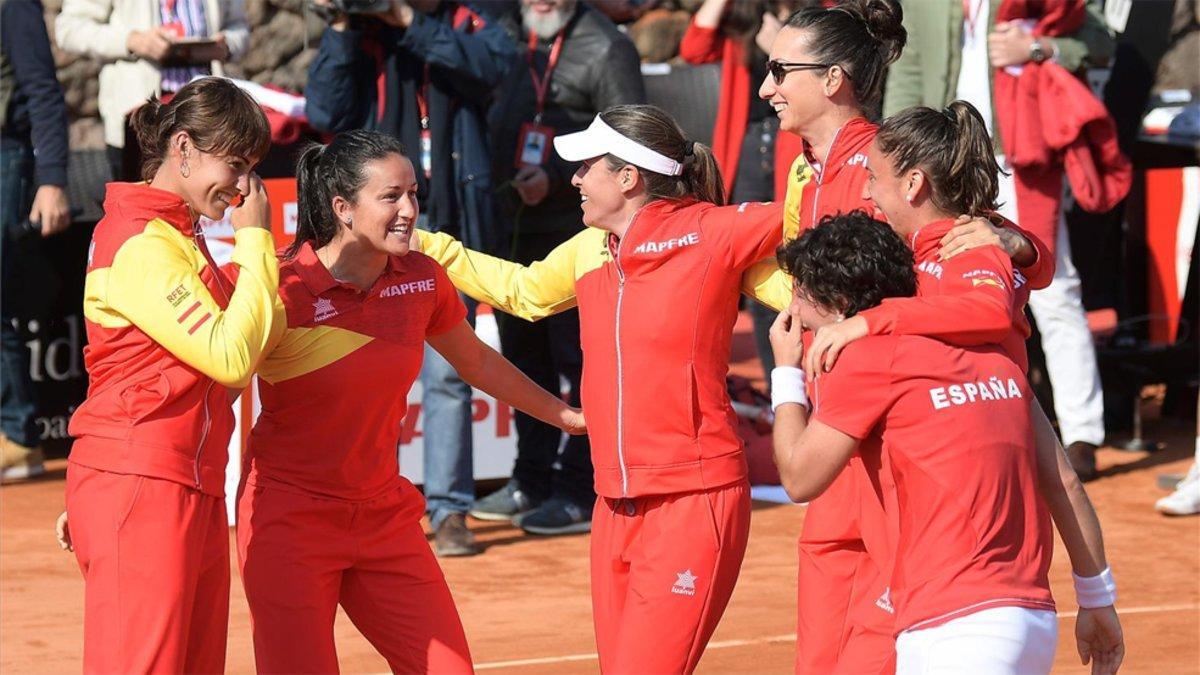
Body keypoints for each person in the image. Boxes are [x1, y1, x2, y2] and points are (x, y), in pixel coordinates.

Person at [413, 104, 787, 672]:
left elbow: (817, 218)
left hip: (694, 496)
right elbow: (525, 291)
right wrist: (427, 247)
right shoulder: (590, 248)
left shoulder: (714, 229)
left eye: (588, 167)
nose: (576, 179)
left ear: (629, 177)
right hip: (612, 501)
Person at [745, 3, 1051, 671]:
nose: (765, 87)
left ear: (831, 80)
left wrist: (1015, 244)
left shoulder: (882, 166)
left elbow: (994, 260)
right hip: (840, 447)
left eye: (778, 71)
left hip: (900, 465)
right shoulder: (813, 170)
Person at [236, 130, 585, 673]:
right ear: (342, 209)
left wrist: (566, 416)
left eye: (414, 195)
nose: (408, 211)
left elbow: (477, 362)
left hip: (384, 519)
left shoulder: (422, 278)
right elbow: (210, 386)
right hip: (290, 520)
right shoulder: (281, 288)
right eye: (391, 197)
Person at [797, 101, 1125, 672]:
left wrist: (869, 321)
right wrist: (1023, 244)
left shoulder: (967, 245)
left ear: (916, 182)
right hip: (917, 481)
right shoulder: (941, 244)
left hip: (952, 506)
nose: (867, 193)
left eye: (874, 177)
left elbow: (988, 309)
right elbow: (1029, 264)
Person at [60, 77, 276, 673]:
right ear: (183, 149)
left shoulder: (178, 237)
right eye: (234, 165)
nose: (240, 187)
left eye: (249, 169)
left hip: (187, 481)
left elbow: (251, 336)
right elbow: (233, 357)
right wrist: (256, 236)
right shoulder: (142, 242)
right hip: (144, 481)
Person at [305, 0, 515, 556]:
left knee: (449, 372)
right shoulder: (363, 33)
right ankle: (365, 502)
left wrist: (407, 21)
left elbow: (495, 69)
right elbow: (325, 108)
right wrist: (345, 26)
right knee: (365, 368)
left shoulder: (466, 20)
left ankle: (449, 511)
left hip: (444, 215)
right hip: (372, 230)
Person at [883, 0, 1118, 481]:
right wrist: (893, 154)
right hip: (941, 164)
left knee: (1052, 289)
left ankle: (1082, 432)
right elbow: (908, 72)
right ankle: (957, 419)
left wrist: (1038, 47)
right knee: (936, 281)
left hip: (1022, 155)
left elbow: (1097, 43)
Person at [467, 0, 644, 535]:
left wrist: (553, 173)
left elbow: (630, 147)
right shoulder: (501, 34)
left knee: (583, 365)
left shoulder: (608, 46)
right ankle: (532, 478)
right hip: (514, 225)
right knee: (524, 360)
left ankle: (579, 486)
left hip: (579, 232)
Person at [679, 0, 807, 378]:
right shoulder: (746, 21)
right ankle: (777, 383)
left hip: (795, 146)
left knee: (798, 252)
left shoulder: (821, 16)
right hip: (750, 147)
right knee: (757, 261)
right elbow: (694, 47)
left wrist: (777, 51)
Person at [55, 0, 249, 182]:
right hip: (142, 121)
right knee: (144, 210)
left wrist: (226, 46)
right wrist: (132, 41)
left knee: (208, 213)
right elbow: (70, 28)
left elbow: (239, 27)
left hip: (208, 116)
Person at [0, 0, 71, 482]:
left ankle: (18, 436)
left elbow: (44, 91)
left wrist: (52, 177)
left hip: (5, 157)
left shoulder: (14, 4)